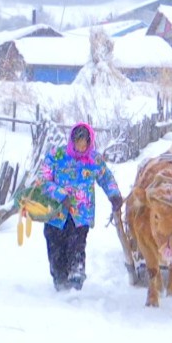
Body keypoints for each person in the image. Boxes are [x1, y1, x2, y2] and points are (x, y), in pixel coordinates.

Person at [38, 122, 125, 291]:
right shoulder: (57, 155)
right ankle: (60, 281)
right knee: (56, 250)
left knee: (77, 246)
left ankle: (76, 279)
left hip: (81, 214)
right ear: (72, 140)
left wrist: (114, 194)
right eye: (78, 140)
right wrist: (59, 194)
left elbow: (106, 178)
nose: (81, 145)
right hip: (56, 214)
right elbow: (42, 180)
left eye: (85, 141)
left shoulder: (94, 159)